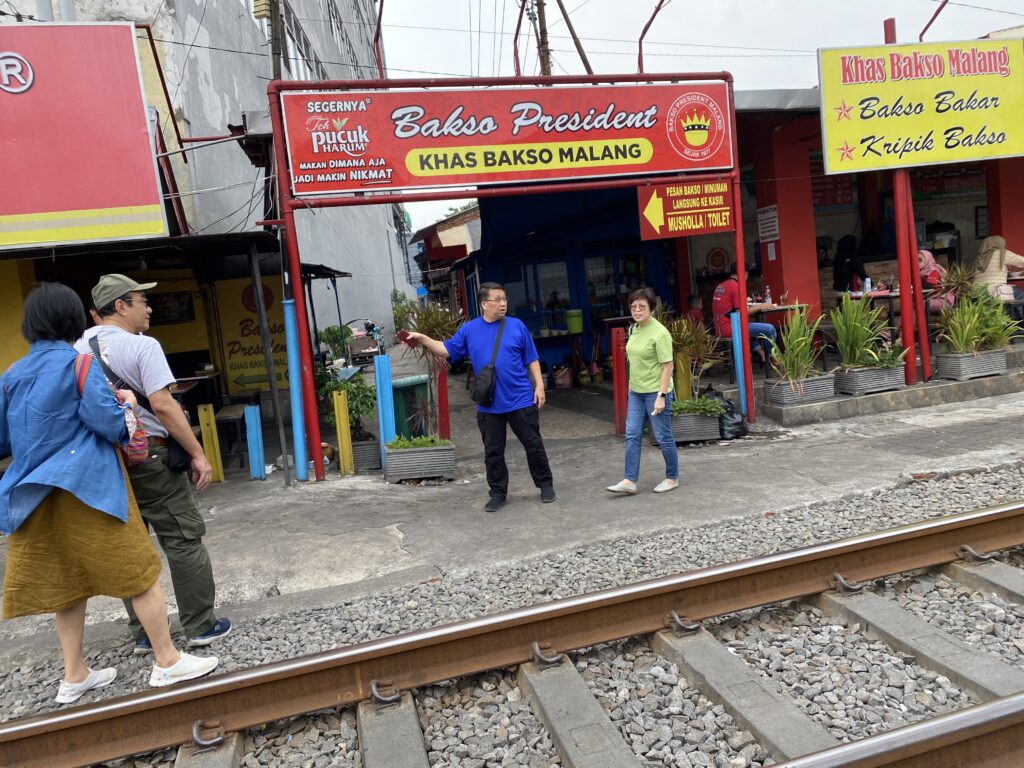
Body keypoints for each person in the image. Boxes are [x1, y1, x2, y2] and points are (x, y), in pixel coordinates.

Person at [0, 283, 218, 704]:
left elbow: (3, 441)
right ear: (71, 320)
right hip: (87, 490)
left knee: (68, 586)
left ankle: (75, 674)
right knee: (140, 572)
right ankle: (168, 661)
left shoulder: (11, 375)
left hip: (33, 496)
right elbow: (113, 427)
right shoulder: (78, 367)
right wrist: (127, 406)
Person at [75, 274, 231, 655]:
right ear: (121, 306)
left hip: (107, 459)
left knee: (130, 544)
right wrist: (197, 452)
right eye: (142, 300)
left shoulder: (76, 348)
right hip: (152, 457)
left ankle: (145, 634)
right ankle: (200, 625)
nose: (149, 307)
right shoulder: (143, 346)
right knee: (182, 538)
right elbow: (162, 405)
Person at [405, 283, 555, 513]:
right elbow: (446, 349)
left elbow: (531, 358)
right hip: (489, 404)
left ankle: (545, 484)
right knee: (493, 452)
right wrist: (424, 339)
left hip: (520, 399)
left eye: (504, 299)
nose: (503, 303)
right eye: (498, 299)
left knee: (533, 444)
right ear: (484, 304)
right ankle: (497, 493)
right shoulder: (470, 330)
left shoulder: (517, 326)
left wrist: (540, 387)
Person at [606, 287, 678, 495]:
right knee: (632, 435)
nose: (637, 310)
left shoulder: (660, 333)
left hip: (656, 391)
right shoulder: (633, 329)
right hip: (636, 392)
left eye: (642, 306)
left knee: (663, 436)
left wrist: (661, 397)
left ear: (652, 309)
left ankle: (672, 477)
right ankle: (630, 480)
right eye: (633, 306)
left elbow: (667, 366)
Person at [712, 264, 777, 363]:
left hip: (719, 328)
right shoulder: (736, 286)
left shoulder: (721, 285)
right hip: (731, 328)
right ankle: (774, 359)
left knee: (751, 329)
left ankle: (763, 355)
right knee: (770, 329)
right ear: (745, 273)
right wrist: (761, 305)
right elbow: (741, 313)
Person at [974, 235, 1024, 304]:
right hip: (994, 291)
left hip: (977, 292)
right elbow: (1021, 261)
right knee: (1021, 296)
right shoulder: (1002, 253)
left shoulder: (979, 257)